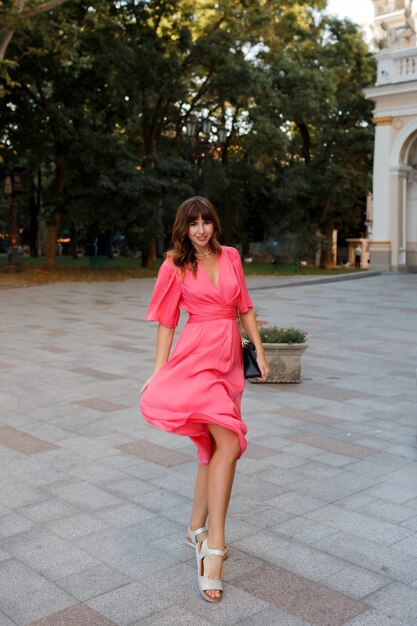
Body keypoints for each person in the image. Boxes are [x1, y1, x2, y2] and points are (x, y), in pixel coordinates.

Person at [140, 196, 269, 603]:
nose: (200, 230)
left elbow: (244, 306)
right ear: (183, 228)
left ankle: (195, 526)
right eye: (193, 224)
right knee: (228, 442)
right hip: (196, 358)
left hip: (228, 357)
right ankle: (213, 551)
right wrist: (159, 370)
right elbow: (166, 321)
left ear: (214, 225)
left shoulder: (230, 257)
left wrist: (261, 353)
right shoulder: (175, 265)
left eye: (206, 222)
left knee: (213, 447)